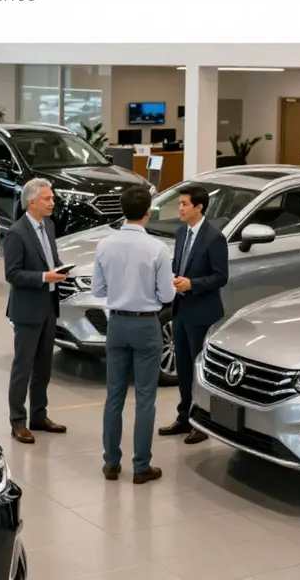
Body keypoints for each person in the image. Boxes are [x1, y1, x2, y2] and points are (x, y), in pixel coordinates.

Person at [92, 185, 175, 485]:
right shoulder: (157, 248)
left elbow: (98, 290)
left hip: (116, 323)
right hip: (146, 325)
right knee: (145, 398)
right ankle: (141, 466)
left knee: (114, 395)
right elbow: (167, 295)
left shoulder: (105, 245)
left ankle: (111, 463)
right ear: (148, 212)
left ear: (122, 210)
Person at [158, 184, 229, 444]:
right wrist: (173, 277)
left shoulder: (214, 238)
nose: (179, 208)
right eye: (180, 204)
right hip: (181, 310)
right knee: (184, 369)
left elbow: (221, 277)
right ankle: (184, 417)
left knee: (200, 371)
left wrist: (192, 285)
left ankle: (202, 422)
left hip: (202, 313)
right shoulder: (181, 233)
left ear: (199, 207)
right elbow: (180, 265)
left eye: (184, 204)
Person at [5, 178, 69, 445]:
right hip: (27, 310)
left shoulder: (49, 226)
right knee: (23, 367)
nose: (52, 202)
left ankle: (39, 415)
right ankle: (18, 421)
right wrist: (44, 277)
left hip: (49, 307)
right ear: (31, 202)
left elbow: (50, 259)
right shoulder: (16, 233)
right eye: (47, 198)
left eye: (52, 198)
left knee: (44, 366)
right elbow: (12, 274)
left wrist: (61, 270)